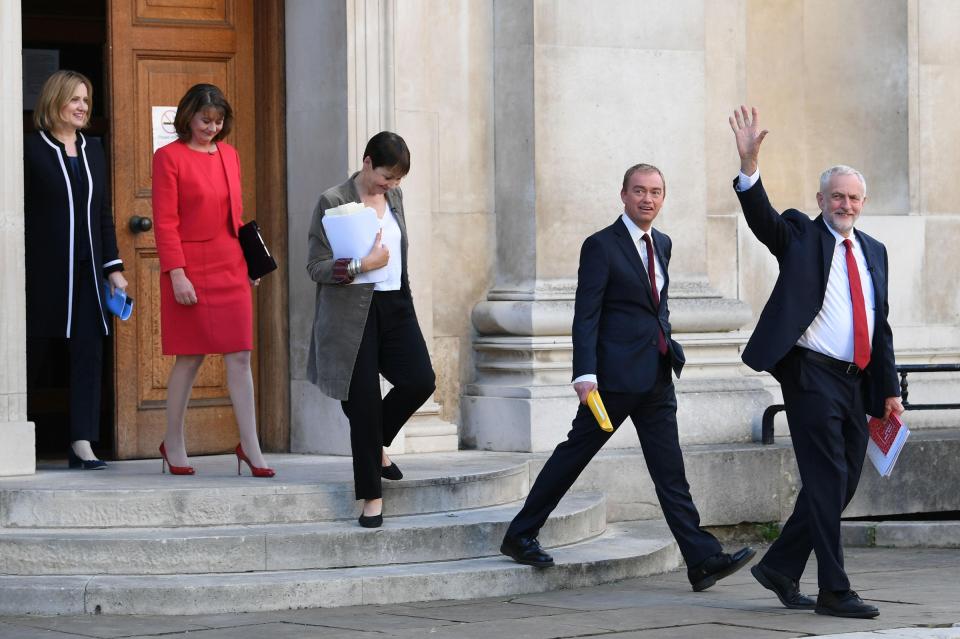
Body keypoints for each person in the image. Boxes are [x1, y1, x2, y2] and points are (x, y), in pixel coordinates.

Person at [500, 163, 755, 592]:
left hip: (656, 376)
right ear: (623, 195)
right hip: (613, 381)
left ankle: (702, 560)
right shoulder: (601, 245)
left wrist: (667, 344)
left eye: (656, 191)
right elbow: (587, 313)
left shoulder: (664, 244)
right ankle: (520, 534)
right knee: (573, 456)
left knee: (670, 471)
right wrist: (584, 372)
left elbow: (659, 306)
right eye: (639, 191)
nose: (647, 199)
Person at [729, 105, 903, 618]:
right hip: (810, 374)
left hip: (856, 381)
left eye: (853, 198)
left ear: (862, 203)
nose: (845, 204)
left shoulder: (874, 250)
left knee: (844, 480)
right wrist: (749, 167)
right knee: (828, 478)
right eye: (836, 197)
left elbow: (880, 323)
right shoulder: (799, 234)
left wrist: (889, 389)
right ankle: (834, 590)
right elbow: (762, 220)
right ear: (820, 200)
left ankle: (780, 566)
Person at [306, 131, 436, 528]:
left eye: (397, 180)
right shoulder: (333, 200)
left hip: (396, 305)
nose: (391, 186)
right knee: (362, 406)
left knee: (420, 381)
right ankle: (371, 498)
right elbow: (315, 267)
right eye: (386, 177)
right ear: (367, 162)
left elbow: (400, 256)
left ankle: (378, 443)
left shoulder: (394, 198)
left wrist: (407, 298)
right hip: (352, 314)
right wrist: (363, 264)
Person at [152, 83, 274, 478]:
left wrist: (250, 264)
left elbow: (236, 219)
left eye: (219, 121)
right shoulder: (167, 157)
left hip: (229, 262)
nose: (212, 127)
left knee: (240, 355)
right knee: (189, 357)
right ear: (188, 116)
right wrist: (177, 274)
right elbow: (165, 222)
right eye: (206, 120)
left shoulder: (230, 155)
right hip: (189, 267)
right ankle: (173, 443)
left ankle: (251, 446)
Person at [24, 70, 127, 470]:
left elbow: (103, 212)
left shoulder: (93, 149)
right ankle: (15, 437)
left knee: (89, 354)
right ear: (55, 103)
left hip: (88, 273)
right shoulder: (31, 149)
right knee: (33, 353)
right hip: (43, 272)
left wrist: (114, 268)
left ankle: (82, 443)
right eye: (74, 100)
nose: (83, 106)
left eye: (86, 100)